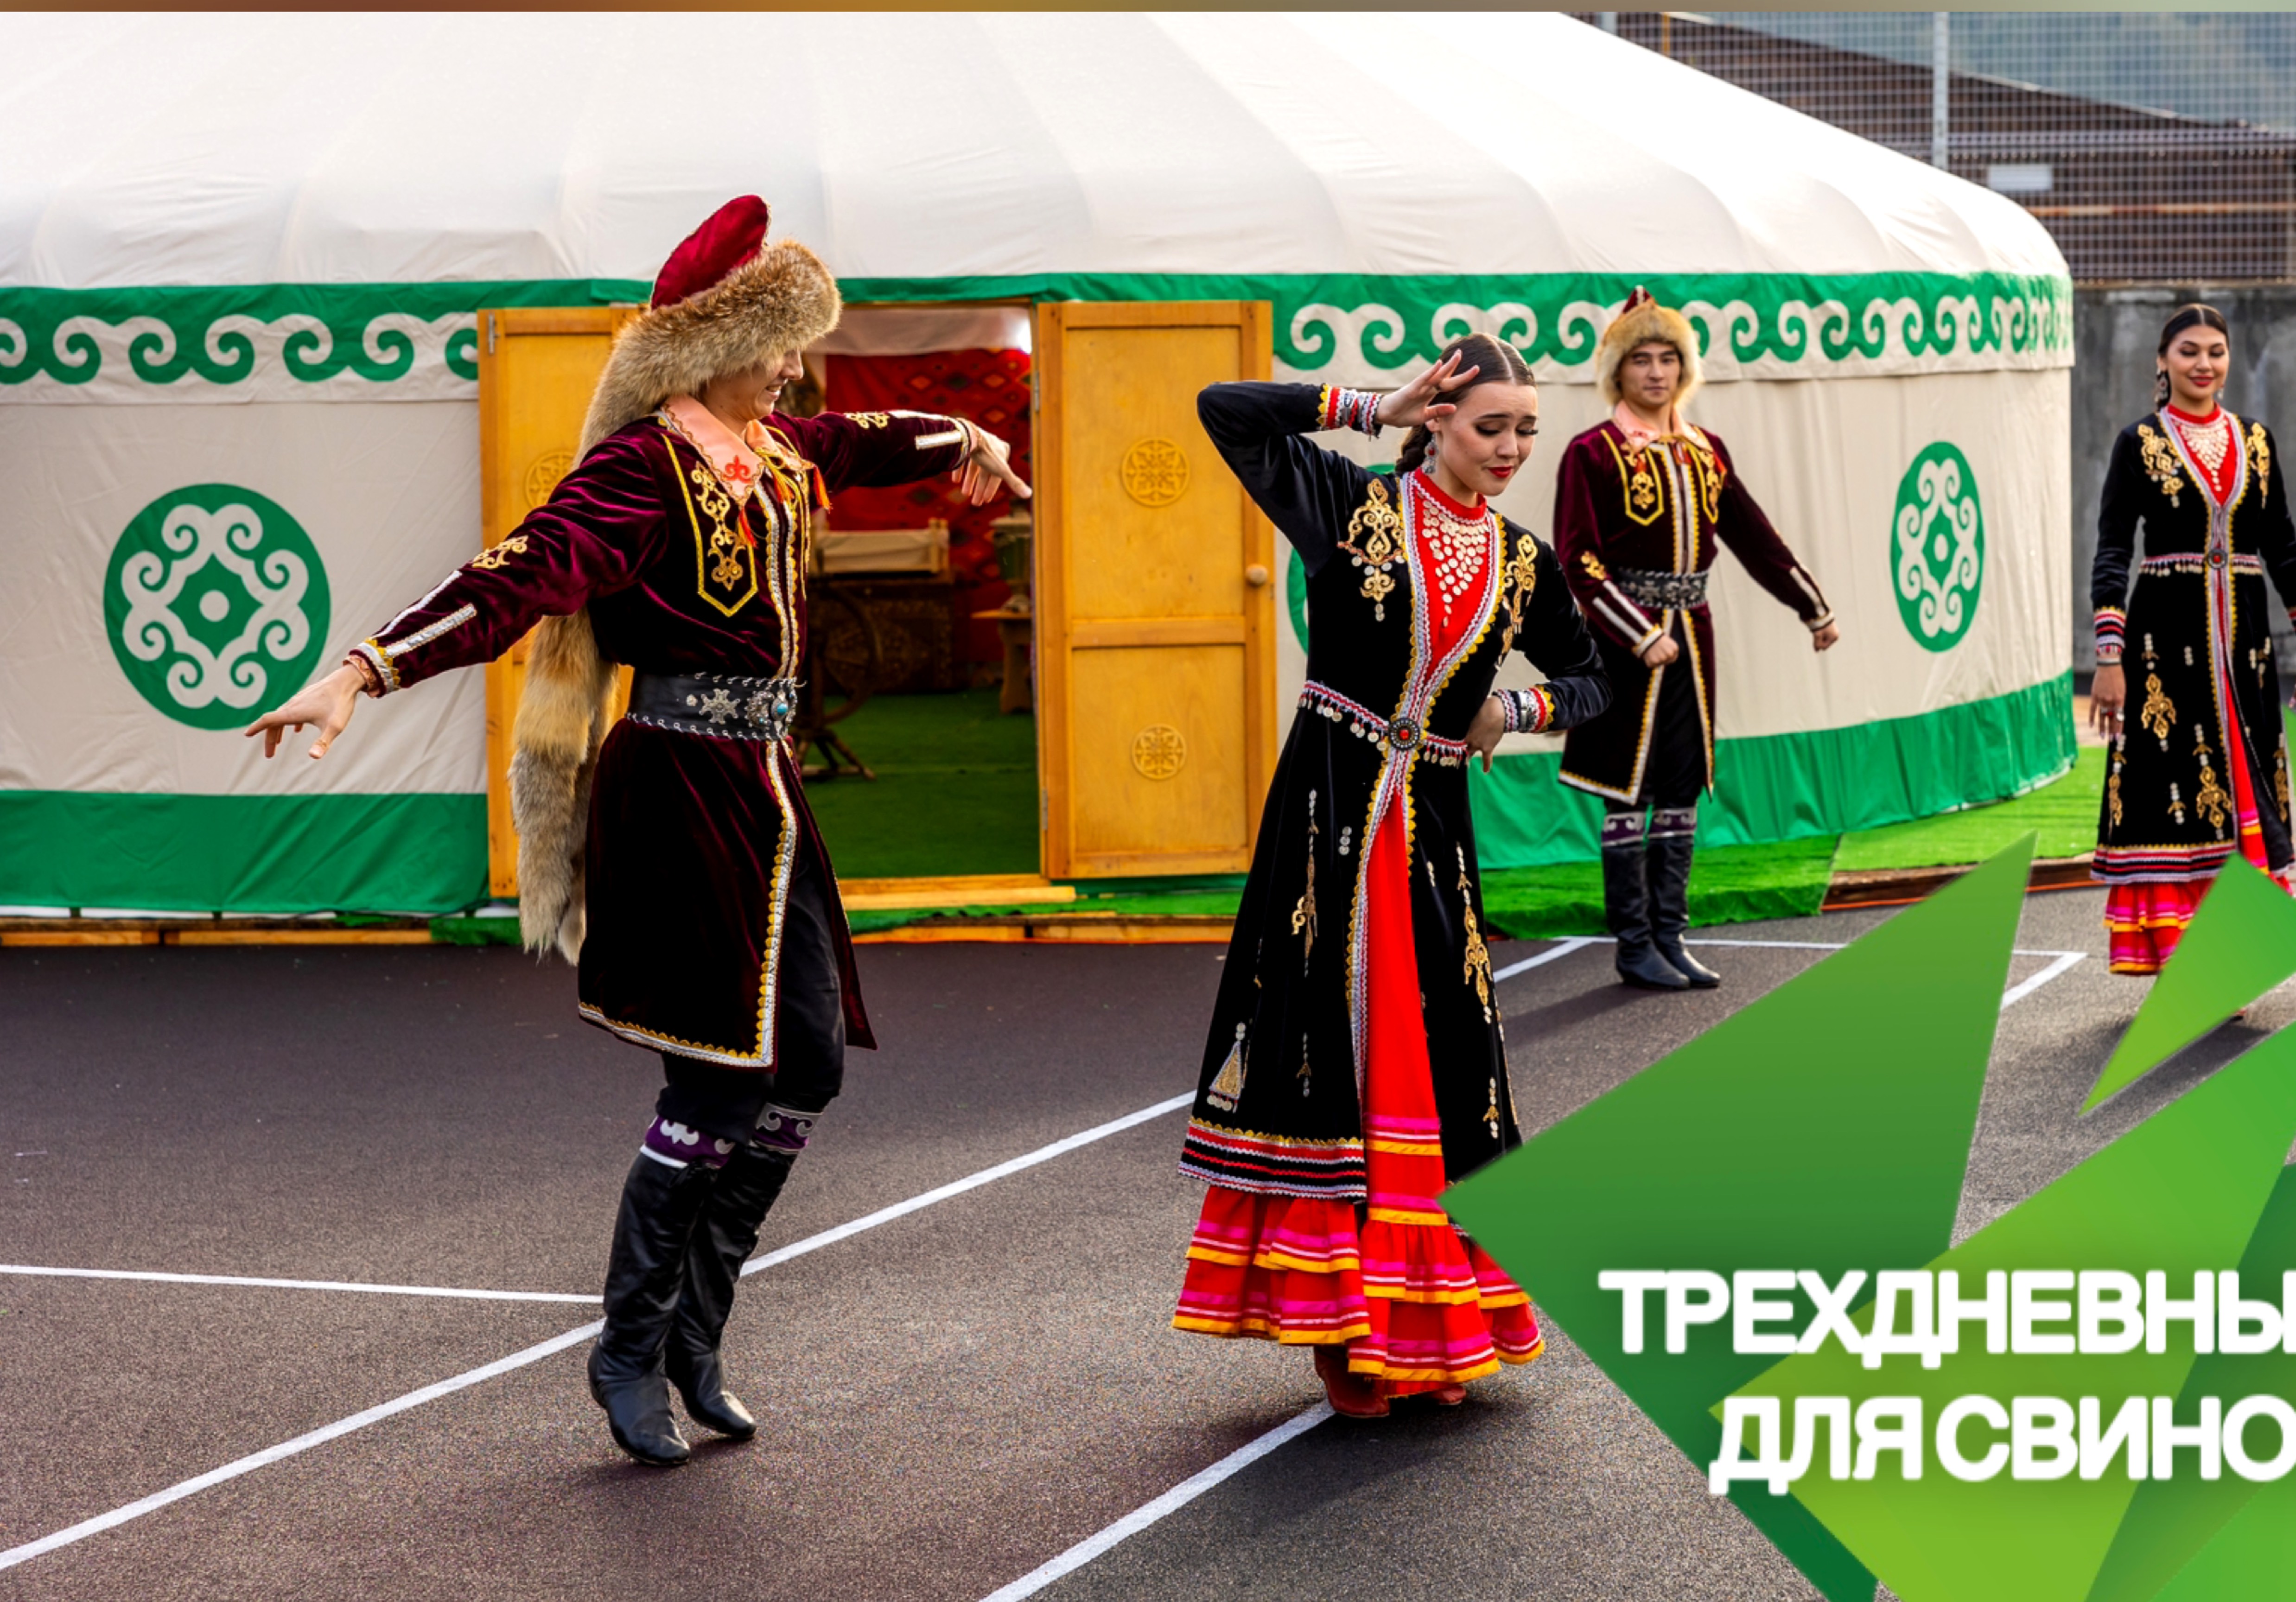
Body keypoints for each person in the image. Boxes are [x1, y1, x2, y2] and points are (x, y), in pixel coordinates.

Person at [242, 196, 1027, 1466]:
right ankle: (628, 1344)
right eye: (779, 345)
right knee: (716, 1078)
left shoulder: (769, 448)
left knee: (810, 1065)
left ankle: (699, 1333)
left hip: (768, 792)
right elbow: (521, 570)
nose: (793, 368)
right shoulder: (640, 472)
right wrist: (361, 668)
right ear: (713, 347)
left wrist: (967, 435)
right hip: (681, 789)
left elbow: (863, 436)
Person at [1170, 336, 1609, 1419]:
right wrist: (1367, 403)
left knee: (1439, 1053)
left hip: (1433, 839)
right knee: (1335, 1050)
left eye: (1524, 431)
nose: (1509, 449)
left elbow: (1590, 676)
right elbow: (1225, 408)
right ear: (1438, 421)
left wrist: (1517, 710)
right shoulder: (1350, 505)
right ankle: (1344, 1324)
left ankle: (1425, 1311)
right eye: (1487, 426)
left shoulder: (1520, 561)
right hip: (1330, 820)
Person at [1552, 288, 1839, 992]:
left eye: (1669, 358)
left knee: (1680, 785)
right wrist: (1639, 632)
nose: (1656, 372)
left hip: (1693, 643)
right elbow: (1577, 560)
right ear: (1616, 373)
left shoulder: (1705, 452)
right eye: (1641, 360)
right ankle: (1633, 944)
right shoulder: (1592, 453)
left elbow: (1753, 536)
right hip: (1624, 646)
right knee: (1626, 790)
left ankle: (1670, 937)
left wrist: (1812, 607)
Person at [2086, 303, 2296, 975]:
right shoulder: (2139, 443)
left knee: (2246, 783)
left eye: (2216, 352)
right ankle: (2186, 955)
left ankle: (2237, 950)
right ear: (2163, 362)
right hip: (2164, 644)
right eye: (2189, 351)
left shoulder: (2255, 439)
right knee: (2174, 790)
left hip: (2246, 646)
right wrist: (2110, 658)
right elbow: (2112, 550)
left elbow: (2282, 542)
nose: (2204, 364)